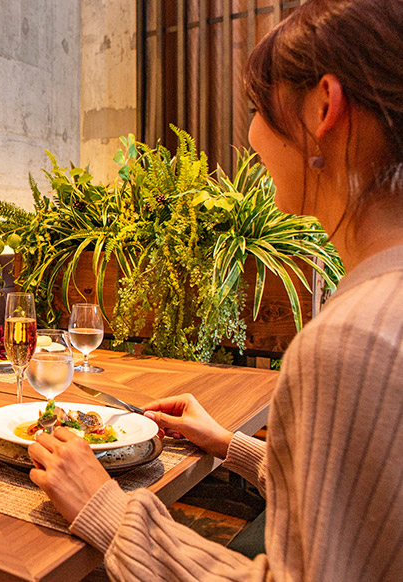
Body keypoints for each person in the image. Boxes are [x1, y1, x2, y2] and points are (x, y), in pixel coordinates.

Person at [27, 1, 403, 580]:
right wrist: (234, 444)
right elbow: (363, 510)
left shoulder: (352, 340)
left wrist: (106, 510)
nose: (250, 133)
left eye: (258, 107)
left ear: (325, 106)